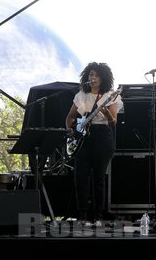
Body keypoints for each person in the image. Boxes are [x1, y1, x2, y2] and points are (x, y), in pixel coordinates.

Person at [65, 62, 122, 227]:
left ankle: (98, 215)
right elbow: (70, 117)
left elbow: (113, 122)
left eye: (96, 75)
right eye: (91, 74)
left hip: (102, 137)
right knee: (80, 177)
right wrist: (69, 131)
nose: (93, 78)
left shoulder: (110, 96)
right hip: (82, 138)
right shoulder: (81, 95)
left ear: (103, 78)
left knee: (99, 178)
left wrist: (107, 115)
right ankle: (82, 214)